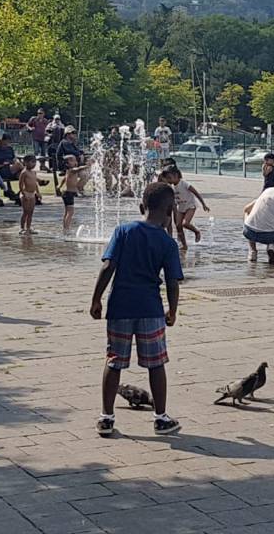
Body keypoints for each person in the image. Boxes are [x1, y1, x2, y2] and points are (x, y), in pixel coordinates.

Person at [90, 181, 182, 437]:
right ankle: (160, 418)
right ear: (169, 211)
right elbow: (173, 282)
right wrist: (172, 310)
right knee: (156, 364)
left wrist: (96, 299)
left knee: (114, 361)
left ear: (142, 206)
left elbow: (108, 267)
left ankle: (106, 418)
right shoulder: (167, 243)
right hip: (151, 310)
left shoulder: (123, 231)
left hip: (119, 307)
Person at [158, 166, 209, 249]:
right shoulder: (171, 187)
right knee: (178, 226)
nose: (168, 180)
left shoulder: (184, 184)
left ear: (176, 175)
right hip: (181, 207)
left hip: (190, 206)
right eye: (167, 179)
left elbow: (196, 193)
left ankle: (196, 232)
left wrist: (204, 204)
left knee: (185, 223)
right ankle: (184, 245)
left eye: (170, 178)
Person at [0, 134, 24, 200]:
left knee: (23, 175)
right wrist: (2, 165)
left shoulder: (9, 148)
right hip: (0, 171)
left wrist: (13, 163)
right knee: (20, 166)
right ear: (0, 141)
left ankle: (19, 194)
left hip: (11, 170)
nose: (6, 146)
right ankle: (37, 179)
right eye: (4, 144)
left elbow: (14, 160)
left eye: (8, 143)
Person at [60, 155, 85, 233]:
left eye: (75, 160)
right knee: (70, 212)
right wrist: (88, 165)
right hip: (69, 193)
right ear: (67, 164)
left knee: (67, 212)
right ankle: (66, 229)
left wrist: (59, 186)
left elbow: (64, 178)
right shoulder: (72, 170)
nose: (75, 162)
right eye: (73, 160)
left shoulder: (69, 171)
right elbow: (79, 169)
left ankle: (65, 228)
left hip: (67, 193)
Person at [18, 155, 41, 234]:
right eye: (32, 162)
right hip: (26, 193)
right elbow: (20, 184)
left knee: (31, 212)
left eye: (35, 162)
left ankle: (28, 227)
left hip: (32, 194)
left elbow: (35, 183)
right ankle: (22, 228)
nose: (34, 164)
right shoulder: (24, 172)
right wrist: (23, 193)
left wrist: (38, 192)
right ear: (26, 163)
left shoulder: (34, 172)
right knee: (26, 211)